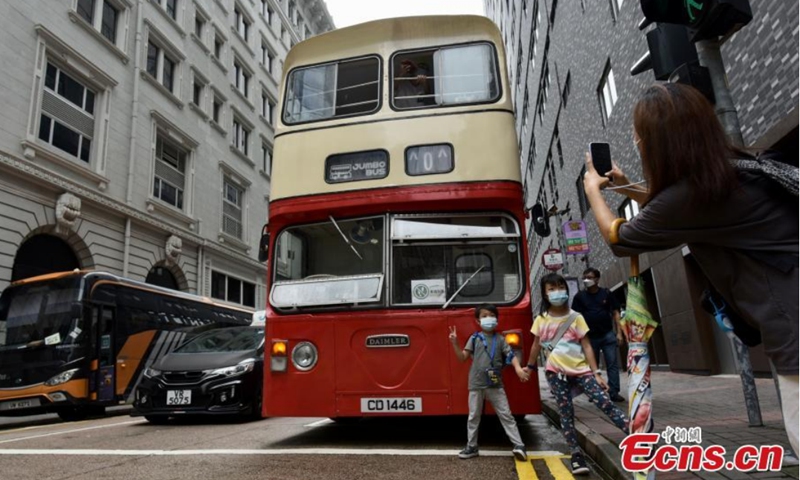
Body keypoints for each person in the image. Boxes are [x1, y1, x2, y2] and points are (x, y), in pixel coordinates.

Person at [582, 83, 799, 456]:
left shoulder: (695, 195)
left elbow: (621, 239)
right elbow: (675, 209)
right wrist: (626, 187)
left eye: (639, 135)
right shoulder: (731, 170)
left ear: (658, 141)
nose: (636, 140)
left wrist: (593, 192)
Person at [524, 273, 628, 475]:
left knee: (604, 402)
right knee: (566, 413)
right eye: (551, 289)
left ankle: (634, 436)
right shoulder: (541, 319)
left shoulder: (576, 317)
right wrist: (529, 368)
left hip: (582, 371)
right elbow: (536, 345)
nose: (557, 292)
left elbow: (587, 346)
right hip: (556, 373)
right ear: (545, 295)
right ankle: (576, 455)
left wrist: (596, 373)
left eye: (560, 287)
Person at [449, 304, 529, 461]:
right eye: (484, 316)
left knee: (506, 415)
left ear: (497, 319)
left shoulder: (500, 339)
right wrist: (454, 343)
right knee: (473, 416)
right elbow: (462, 358)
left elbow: (511, 355)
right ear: (478, 321)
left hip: (495, 384)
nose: (488, 318)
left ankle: (519, 445)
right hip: (476, 384)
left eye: (491, 315)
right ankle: (471, 446)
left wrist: (519, 369)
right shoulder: (474, 338)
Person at [571, 267, 625, 403]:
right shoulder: (580, 296)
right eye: (584, 277)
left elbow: (616, 313)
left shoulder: (606, 293)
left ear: (597, 279)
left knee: (612, 364)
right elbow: (575, 317)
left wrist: (619, 333)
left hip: (607, 334)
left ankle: (614, 392)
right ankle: (595, 392)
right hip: (590, 338)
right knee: (592, 367)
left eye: (589, 277)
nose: (586, 280)